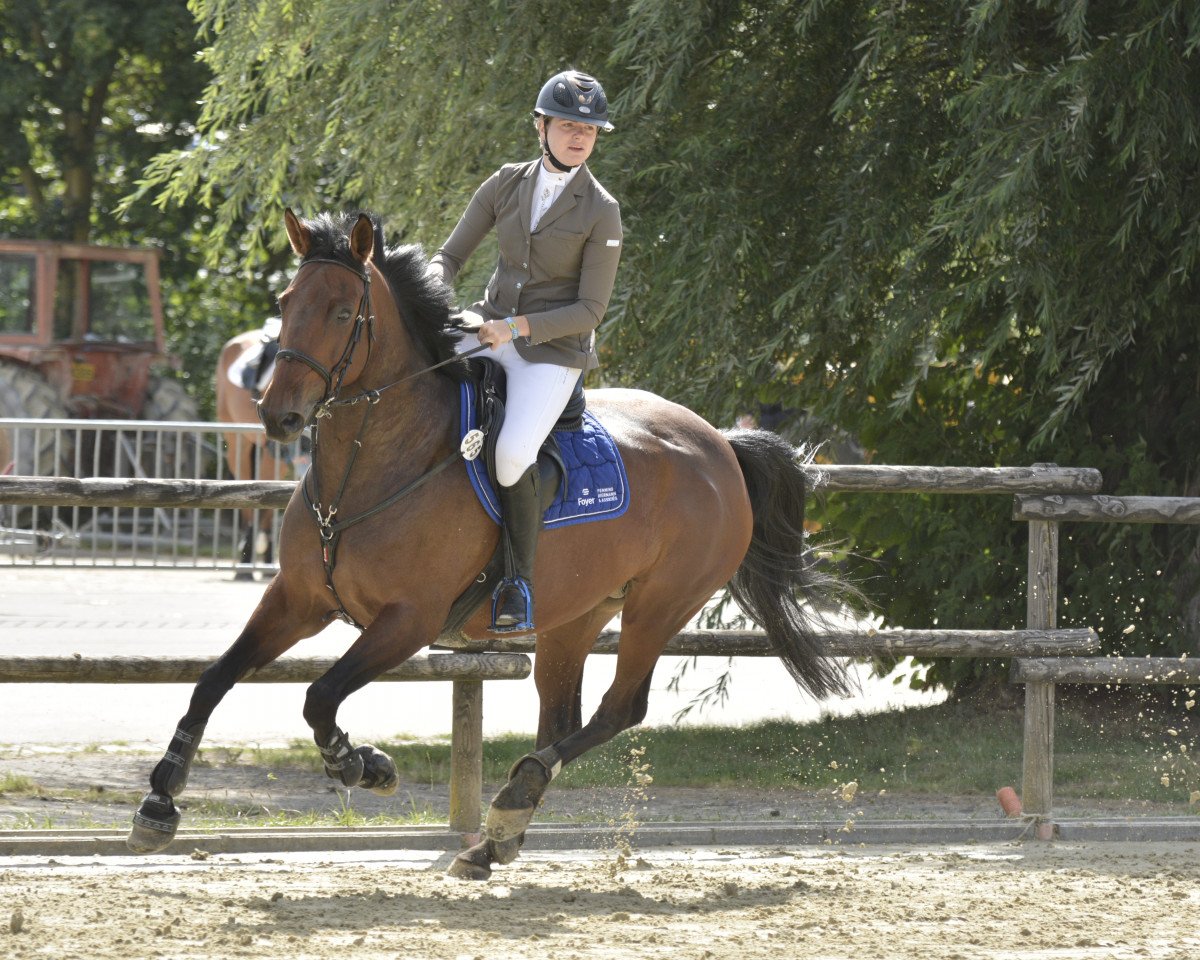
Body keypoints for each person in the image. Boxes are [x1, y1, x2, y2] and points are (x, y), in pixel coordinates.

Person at [427, 69, 623, 633]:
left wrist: (514, 328)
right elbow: (450, 256)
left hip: (552, 353)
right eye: (567, 124)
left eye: (589, 128)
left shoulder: (602, 211)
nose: (580, 136)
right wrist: (433, 294)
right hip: (487, 326)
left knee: (512, 454)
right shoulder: (506, 183)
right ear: (541, 127)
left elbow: (590, 310)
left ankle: (517, 581)